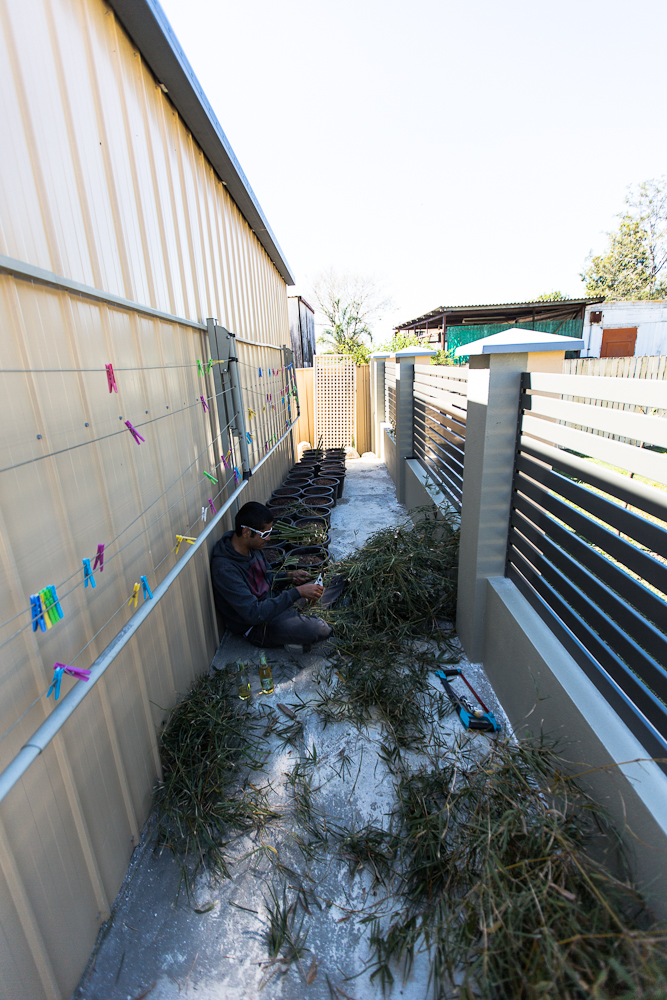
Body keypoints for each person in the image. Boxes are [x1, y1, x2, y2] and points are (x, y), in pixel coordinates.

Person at [210, 500, 333, 651]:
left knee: (333, 580)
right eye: (265, 534)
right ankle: (301, 626)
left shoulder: (252, 546)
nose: (268, 539)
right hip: (259, 625)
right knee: (320, 628)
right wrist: (297, 592)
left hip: (274, 602)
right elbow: (254, 613)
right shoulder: (225, 569)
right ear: (246, 532)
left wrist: (289, 576)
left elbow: (267, 578)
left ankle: (301, 622)